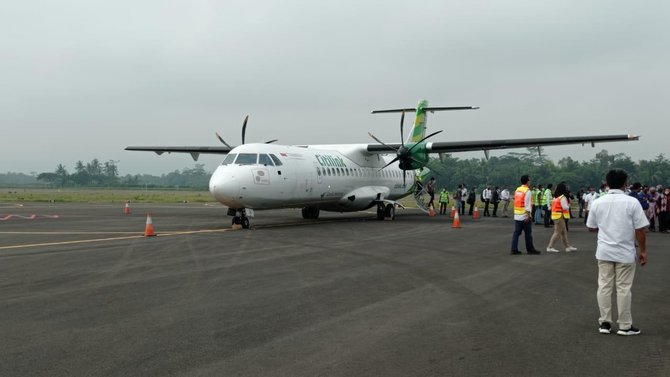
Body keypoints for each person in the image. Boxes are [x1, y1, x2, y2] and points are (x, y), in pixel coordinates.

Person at [587, 169, 648, 336]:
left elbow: (591, 227)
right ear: (625, 184)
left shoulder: (598, 202)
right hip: (625, 252)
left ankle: (605, 323)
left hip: (605, 251)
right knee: (623, 289)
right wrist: (643, 251)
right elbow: (640, 230)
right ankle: (625, 325)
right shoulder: (632, 202)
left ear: (606, 183)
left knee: (604, 287)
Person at [510, 175, 540, 255]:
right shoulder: (527, 191)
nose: (530, 182)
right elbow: (527, 205)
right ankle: (530, 249)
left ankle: (514, 249)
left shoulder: (518, 190)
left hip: (517, 215)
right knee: (528, 234)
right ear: (527, 181)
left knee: (516, 233)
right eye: (529, 180)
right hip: (524, 215)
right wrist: (528, 215)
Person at [546, 182, 578, 252]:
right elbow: (565, 207)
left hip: (555, 216)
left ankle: (567, 246)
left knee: (563, 232)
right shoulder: (562, 197)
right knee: (557, 232)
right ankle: (550, 247)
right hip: (559, 216)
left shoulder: (555, 197)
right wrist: (569, 205)